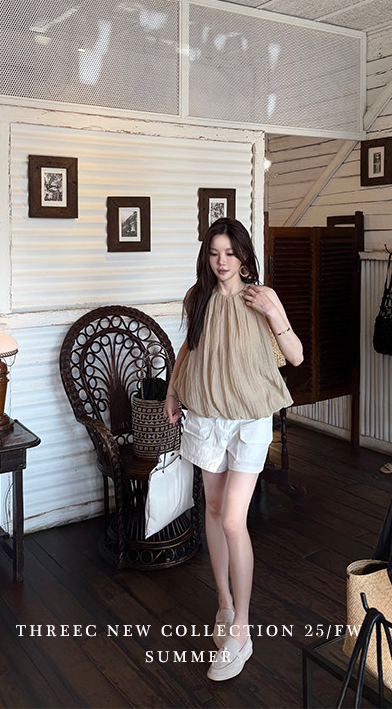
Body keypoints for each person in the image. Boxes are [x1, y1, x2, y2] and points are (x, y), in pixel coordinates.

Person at [164, 217, 303, 681]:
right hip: (206, 416)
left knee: (231, 520)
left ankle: (241, 629)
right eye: (213, 253)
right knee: (213, 509)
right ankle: (223, 603)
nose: (221, 262)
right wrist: (172, 391)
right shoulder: (198, 297)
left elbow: (296, 356)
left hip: (250, 421)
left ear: (244, 256)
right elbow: (189, 348)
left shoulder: (261, 297)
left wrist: (274, 313)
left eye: (229, 253)